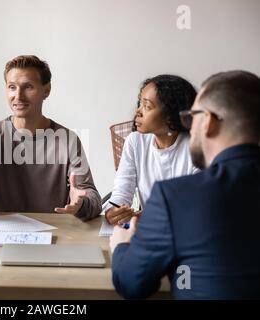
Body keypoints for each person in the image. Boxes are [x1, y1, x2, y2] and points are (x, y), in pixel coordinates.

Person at [110, 70, 260, 299]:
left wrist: (121, 246)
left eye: (193, 116)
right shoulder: (137, 144)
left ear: (207, 122)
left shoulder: (177, 197)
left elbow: (132, 283)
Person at [0, 55, 101, 220]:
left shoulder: (67, 140)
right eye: (12, 87)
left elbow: (93, 198)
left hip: (56, 234)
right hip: (6, 234)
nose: (18, 96)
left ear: (46, 90)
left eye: (28, 87)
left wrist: (81, 204)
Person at [104, 75, 198, 226]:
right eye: (140, 103)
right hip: (150, 230)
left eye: (147, 106)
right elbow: (122, 190)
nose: (138, 111)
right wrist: (113, 211)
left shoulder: (196, 148)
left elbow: (195, 206)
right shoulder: (135, 141)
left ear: (170, 115)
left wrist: (152, 215)